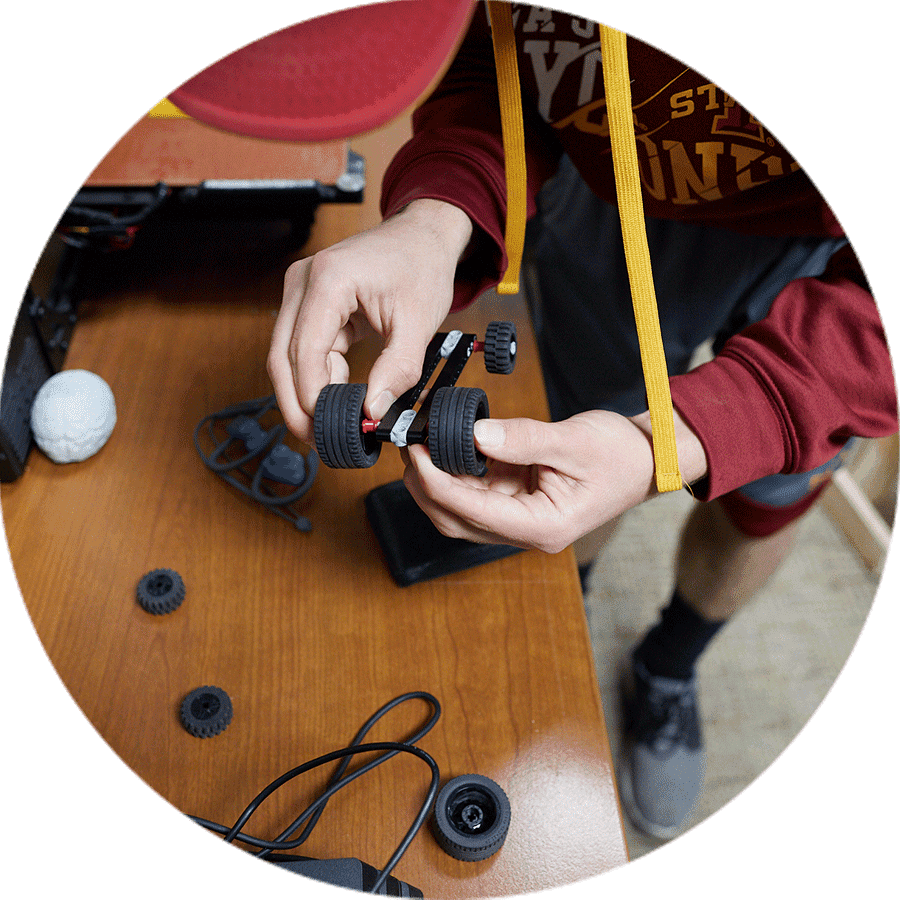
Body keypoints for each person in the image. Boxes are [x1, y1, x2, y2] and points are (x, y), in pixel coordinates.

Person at [171, 1, 898, 839]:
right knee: (575, 430)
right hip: (611, 183)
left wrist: (717, 428)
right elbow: (494, 53)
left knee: (772, 484)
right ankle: (573, 593)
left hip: (843, 255)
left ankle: (669, 666)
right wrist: (438, 211)